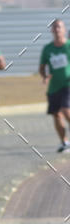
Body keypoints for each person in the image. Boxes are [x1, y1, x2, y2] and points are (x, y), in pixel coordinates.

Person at [39, 18, 70, 151]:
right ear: (52, 30)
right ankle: (64, 142)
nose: (57, 29)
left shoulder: (68, 46)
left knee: (66, 110)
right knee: (56, 114)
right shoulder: (48, 49)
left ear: (64, 30)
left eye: (59, 27)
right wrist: (45, 76)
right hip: (54, 87)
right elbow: (42, 67)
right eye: (55, 27)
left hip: (67, 84)